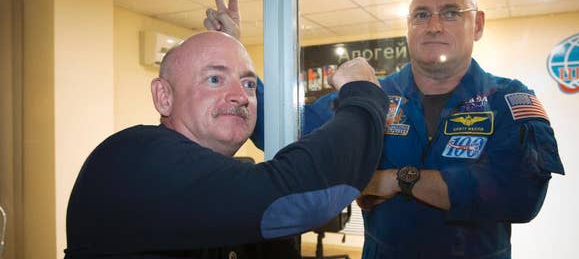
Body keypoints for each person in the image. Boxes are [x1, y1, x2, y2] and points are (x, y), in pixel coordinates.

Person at [206, 0, 565, 258]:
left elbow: (519, 196)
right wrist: (234, 51)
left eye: (452, 13)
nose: (434, 25)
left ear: (479, 25)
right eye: (421, 14)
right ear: (408, 26)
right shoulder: (372, 97)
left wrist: (397, 179)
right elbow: (285, 130)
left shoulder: (507, 99)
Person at [64, 31, 389, 258]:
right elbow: (300, 196)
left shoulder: (235, 178)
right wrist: (362, 93)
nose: (240, 96)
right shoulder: (131, 160)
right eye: (215, 79)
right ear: (164, 97)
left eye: (248, 83)